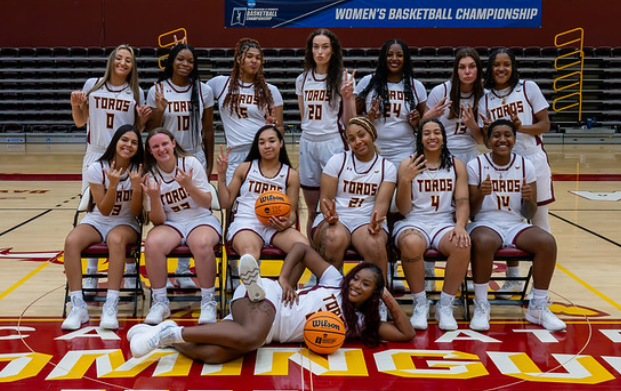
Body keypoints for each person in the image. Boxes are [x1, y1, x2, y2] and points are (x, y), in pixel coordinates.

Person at [128, 243, 415, 363]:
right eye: (356, 278)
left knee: (214, 355)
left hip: (268, 331)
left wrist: (388, 299)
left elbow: (406, 334)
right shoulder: (333, 280)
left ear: (373, 294)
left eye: (366, 285)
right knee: (252, 336)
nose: (355, 285)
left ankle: (166, 335)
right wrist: (284, 279)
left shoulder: (363, 322)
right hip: (270, 300)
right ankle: (171, 334)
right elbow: (302, 249)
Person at [467, 119, 565, 332]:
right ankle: (482, 304)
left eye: (507, 135)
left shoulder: (525, 165)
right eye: (496, 135)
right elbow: (471, 213)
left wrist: (528, 200)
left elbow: (529, 214)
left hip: (515, 223)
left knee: (547, 242)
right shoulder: (476, 164)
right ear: (488, 140)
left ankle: (537, 306)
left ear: (514, 139)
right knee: (483, 242)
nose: (502, 139)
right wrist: (480, 196)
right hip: (484, 223)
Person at [70, 44, 151, 290]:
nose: (123, 63)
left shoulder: (136, 91)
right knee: (93, 208)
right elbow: (80, 121)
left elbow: (135, 130)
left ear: (132, 66)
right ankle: (92, 273)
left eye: (128, 60)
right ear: (112, 61)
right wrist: (76, 105)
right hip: (96, 154)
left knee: (126, 210)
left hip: (125, 155)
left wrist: (143, 121)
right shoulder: (92, 85)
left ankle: (128, 272)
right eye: (119, 58)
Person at [478, 48, 554, 296]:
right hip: (502, 162)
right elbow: (485, 141)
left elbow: (545, 124)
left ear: (513, 67)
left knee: (540, 223)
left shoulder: (528, 87)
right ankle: (512, 279)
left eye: (506, 64)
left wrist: (522, 128)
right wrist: (487, 132)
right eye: (497, 64)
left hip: (532, 158)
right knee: (508, 218)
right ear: (490, 68)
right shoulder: (485, 98)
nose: (501, 69)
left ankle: (540, 289)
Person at [61, 124, 144, 330]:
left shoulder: (140, 170)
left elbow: (135, 213)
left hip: (125, 223)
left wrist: (135, 188)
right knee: (71, 241)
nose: (128, 145)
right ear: (115, 141)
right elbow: (104, 210)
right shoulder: (97, 168)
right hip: (97, 221)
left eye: (134, 142)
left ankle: (111, 303)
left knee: (115, 240)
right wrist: (113, 184)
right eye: (124, 140)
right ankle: (78, 306)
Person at [146, 43, 215, 288]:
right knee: (172, 207)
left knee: (196, 207)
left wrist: (208, 166)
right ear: (171, 61)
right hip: (166, 156)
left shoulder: (203, 90)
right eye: (180, 60)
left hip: (193, 155)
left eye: (190, 61)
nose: (185, 65)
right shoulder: (157, 89)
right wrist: (160, 109)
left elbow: (208, 129)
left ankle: (184, 272)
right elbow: (151, 129)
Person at [393, 119, 471, 331]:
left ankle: (445, 305)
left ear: (444, 137)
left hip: (444, 223)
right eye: (426, 133)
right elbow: (403, 209)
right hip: (414, 221)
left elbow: (463, 201)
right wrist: (405, 181)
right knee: (410, 243)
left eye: (437, 132)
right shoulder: (407, 164)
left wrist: (461, 225)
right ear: (419, 138)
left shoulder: (456, 165)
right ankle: (420, 303)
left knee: (462, 243)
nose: (432, 137)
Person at [141, 128, 222, 325]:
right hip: (172, 223)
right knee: (152, 244)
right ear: (150, 151)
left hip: (200, 218)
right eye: (156, 146)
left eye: (164, 144)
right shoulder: (150, 174)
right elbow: (158, 221)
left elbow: (206, 202)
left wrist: (189, 186)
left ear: (173, 144)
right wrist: (153, 197)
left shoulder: (190, 163)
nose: (161, 149)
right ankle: (160, 302)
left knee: (202, 244)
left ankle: (208, 301)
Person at [422, 47, 484, 290]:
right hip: (440, 156)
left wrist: (472, 125)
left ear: (478, 70)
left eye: (471, 66)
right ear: (455, 69)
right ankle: (428, 270)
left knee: (466, 214)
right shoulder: (441, 91)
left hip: (469, 156)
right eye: (462, 67)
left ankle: (464, 273)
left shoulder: (484, 96)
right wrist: (429, 114)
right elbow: (423, 127)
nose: (467, 71)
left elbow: (482, 140)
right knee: (436, 208)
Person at [312, 117, 395, 281]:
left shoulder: (387, 167)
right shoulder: (337, 161)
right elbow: (326, 200)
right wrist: (329, 215)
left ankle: (379, 299)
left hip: (365, 220)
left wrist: (376, 222)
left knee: (375, 243)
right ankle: (330, 291)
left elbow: (381, 206)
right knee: (333, 238)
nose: (357, 141)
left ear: (372, 134)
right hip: (336, 219)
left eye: (361, 135)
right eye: (352, 139)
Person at [216, 125, 308, 265]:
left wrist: (287, 223)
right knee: (250, 251)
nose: (267, 146)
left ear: (281, 143)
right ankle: (254, 286)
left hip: (275, 226)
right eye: (262, 142)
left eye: (272, 141)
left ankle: (283, 284)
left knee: (303, 248)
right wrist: (222, 174)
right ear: (257, 146)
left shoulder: (291, 175)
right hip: (246, 223)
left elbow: (292, 213)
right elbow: (225, 203)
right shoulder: (245, 168)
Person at [297, 28, 356, 239]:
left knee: (331, 207)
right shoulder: (302, 79)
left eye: (325, 47)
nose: (319, 51)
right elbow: (305, 119)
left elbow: (351, 122)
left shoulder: (344, 78)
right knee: (311, 210)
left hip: (333, 142)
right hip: (308, 144)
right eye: (315, 47)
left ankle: (332, 259)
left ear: (333, 50)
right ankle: (314, 263)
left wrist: (348, 98)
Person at [208, 38, 284, 185]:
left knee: (262, 203)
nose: (254, 61)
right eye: (249, 56)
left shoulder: (271, 91)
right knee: (231, 202)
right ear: (238, 59)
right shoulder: (220, 84)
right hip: (234, 154)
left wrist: (272, 132)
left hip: (262, 152)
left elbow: (280, 127)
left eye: (258, 58)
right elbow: (194, 91)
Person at [355, 38, 427, 170]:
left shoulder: (416, 86)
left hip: (405, 152)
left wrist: (417, 122)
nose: (394, 58)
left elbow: (425, 125)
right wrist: (368, 118)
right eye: (389, 54)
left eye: (399, 55)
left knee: (402, 189)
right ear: (383, 57)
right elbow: (353, 121)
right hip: (373, 149)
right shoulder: (367, 82)